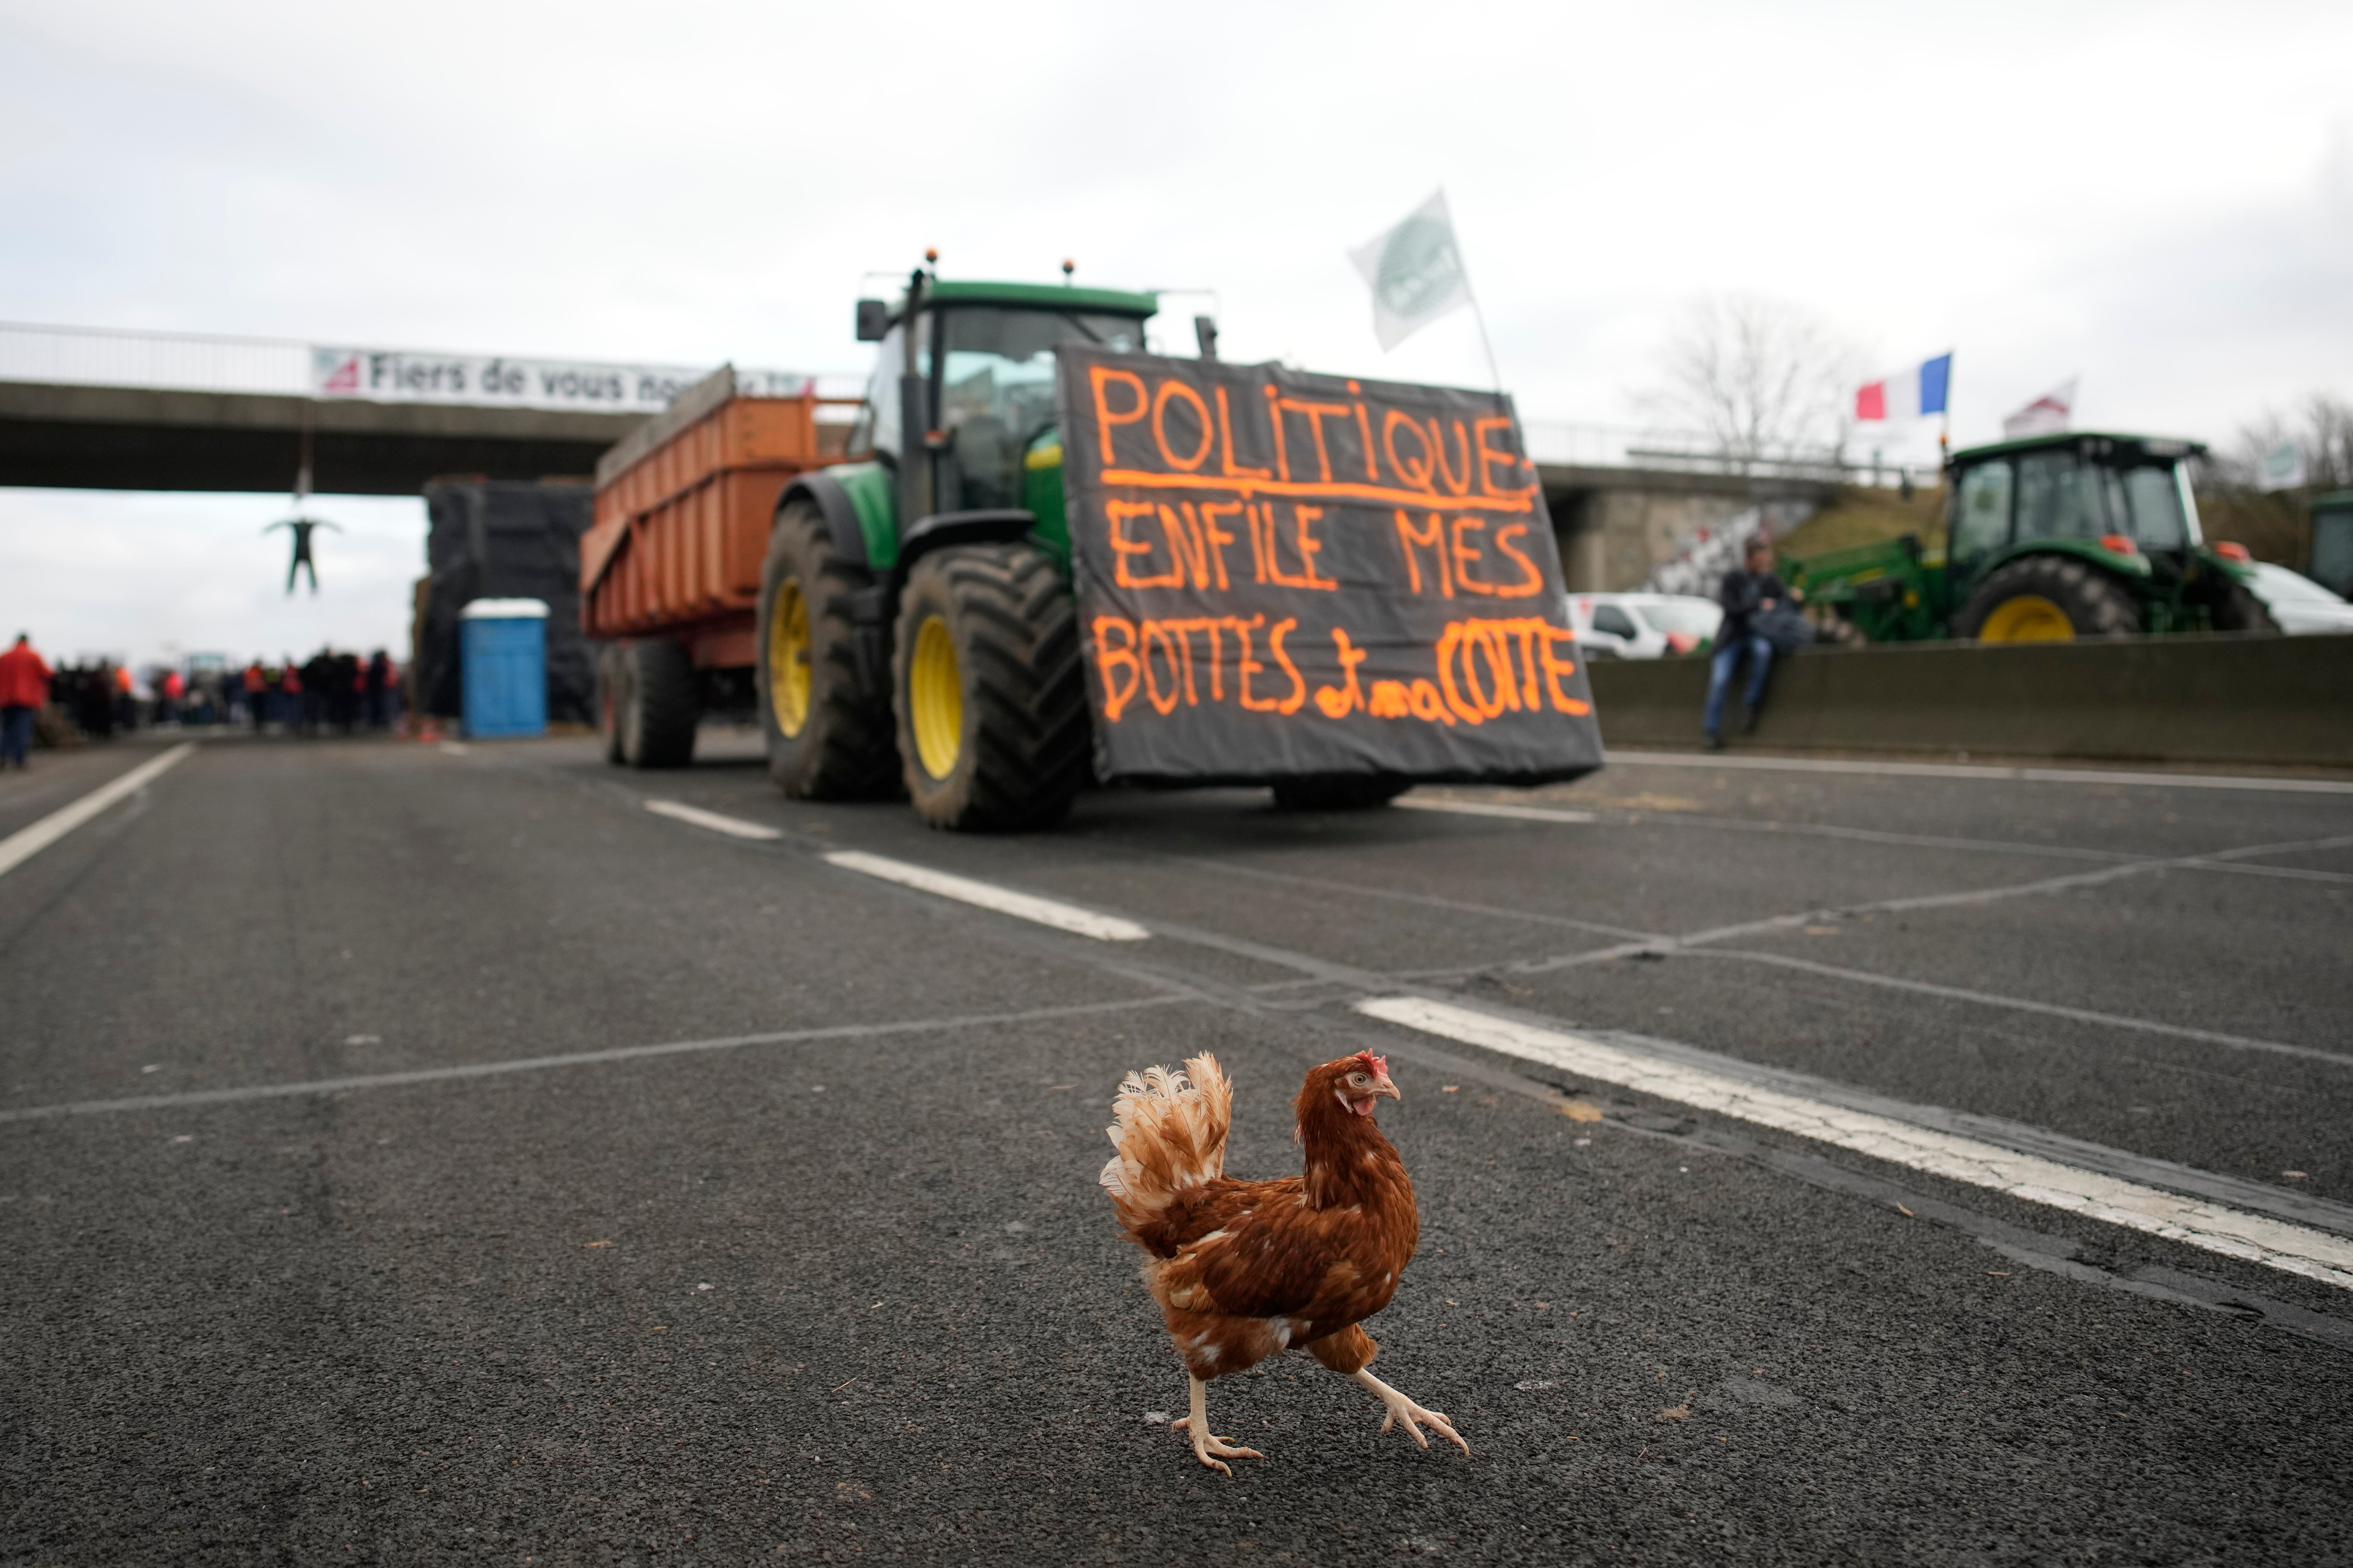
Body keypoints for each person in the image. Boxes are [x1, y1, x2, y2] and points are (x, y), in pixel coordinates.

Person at [1703, 534, 1799, 750]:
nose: (1764, 565)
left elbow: (1786, 605)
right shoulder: (1734, 578)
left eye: (1766, 560)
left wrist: (1793, 599)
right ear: (1750, 559)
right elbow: (1730, 608)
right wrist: (1758, 606)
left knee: (1763, 652)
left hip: (1758, 636)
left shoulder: (1770, 580)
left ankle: (1751, 704)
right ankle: (1711, 731)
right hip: (1732, 637)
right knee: (1720, 680)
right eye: (1760, 560)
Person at [0, 632, 50, 769]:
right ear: (27, 642)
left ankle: (3, 756)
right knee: (22, 729)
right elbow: (47, 674)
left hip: (6, 699)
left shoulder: (5, 656)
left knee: (7, 729)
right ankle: (19, 760)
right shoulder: (33, 656)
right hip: (26, 699)